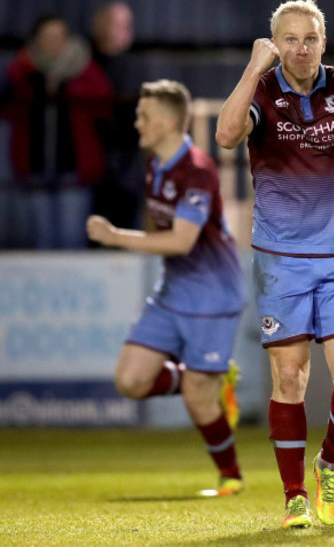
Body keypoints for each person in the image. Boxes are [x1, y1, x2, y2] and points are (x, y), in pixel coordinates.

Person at [215, 0, 334, 528]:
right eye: (290, 40)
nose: (302, 49)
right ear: (276, 43)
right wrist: (254, 69)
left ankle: (329, 464)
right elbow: (227, 136)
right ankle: (294, 494)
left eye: (311, 38)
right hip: (281, 262)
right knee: (291, 377)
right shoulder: (264, 90)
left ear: (324, 40)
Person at [87, 79, 248, 496]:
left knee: (199, 401)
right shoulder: (155, 164)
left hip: (214, 294)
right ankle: (207, 378)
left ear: (172, 121)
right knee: (131, 381)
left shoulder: (195, 168)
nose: (137, 122)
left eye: (146, 116)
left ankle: (231, 476)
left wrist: (114, 237)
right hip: (173, 291)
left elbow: (181, 240)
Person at [0, 14, 114, 249]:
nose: (53, 42)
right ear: (36, 40)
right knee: (42, 240)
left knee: (72, 238)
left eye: (59, 36)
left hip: (74, 168)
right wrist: (22, 72)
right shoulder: (22, 71)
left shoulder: (85, 69)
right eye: (47, 37)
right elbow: (8, 109)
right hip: (36, 166)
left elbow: (105, 108)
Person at [90, 1, 143, 232]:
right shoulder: (87, 64)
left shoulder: (132, 66)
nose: (126, 30)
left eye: (128, 24)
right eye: (118, 24)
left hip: (128, 163)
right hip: (93, 160)